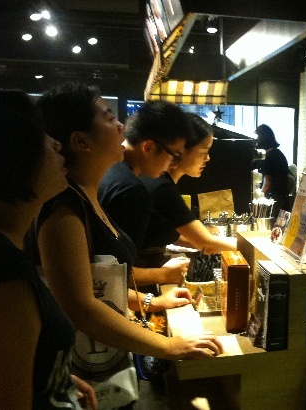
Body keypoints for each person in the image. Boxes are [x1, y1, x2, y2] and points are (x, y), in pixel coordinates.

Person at [29, 82, 223, 389]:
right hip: (86, 369)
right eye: (108, 118)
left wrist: (151, 301)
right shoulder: (63, 210)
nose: (121, 125)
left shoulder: (87, 195)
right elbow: (80, 306)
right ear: (81, 141)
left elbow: (100, 287)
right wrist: (168, 346)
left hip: (106, 364)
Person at [0, 89, 97, 409]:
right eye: (40, 134)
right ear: (12, 154)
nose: (56, 144)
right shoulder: (4, 270)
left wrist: (57, 377)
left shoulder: (7, 250)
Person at [98, 100, 192, 285]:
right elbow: (114, 272)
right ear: (148, 147)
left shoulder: (109, 170)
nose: (174, 165)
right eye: (175, 155)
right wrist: (165, 274)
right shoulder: (131, 190)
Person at [141, 113, 237, 257]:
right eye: (204, 151)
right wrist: (254, 246)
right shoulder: (162, 188)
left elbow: (174, 237)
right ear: (181, 149)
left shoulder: (160, 181)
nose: (208, 158)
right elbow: (207, 244)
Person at [255, 124, 289, 218]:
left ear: (263, 138)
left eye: (257, 138)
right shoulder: (280, 154)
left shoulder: (269, 157)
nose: (256, 142)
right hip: (283, 202)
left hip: (274, 205)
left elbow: (267, 184)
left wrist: (259, 203)